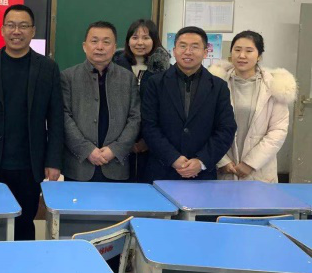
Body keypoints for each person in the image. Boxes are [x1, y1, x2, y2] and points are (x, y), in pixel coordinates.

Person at [0, 4, 64, 241]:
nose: (16, 31)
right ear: (2, 30)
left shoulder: (47, 68)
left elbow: (56, 118)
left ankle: (25, 263)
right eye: (11, 25)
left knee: (25, 223)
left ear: (33, 31)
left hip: (29, 164)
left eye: (23, 26)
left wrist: (53, 161)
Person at [142, 26, 236, 182]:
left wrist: (201, 161)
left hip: (202, 175)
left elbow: (226, 129)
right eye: (183, 46)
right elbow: (149, 126)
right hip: (162, 170)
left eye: (195, 47)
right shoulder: (156, 83)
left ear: (205, 52)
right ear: (174, 50)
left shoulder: (218, 87)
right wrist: (173, 158)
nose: (188, 52)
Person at [209, 30, 296, 183]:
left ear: (259, 56)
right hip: (223, 167)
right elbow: (205, 125)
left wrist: (250, 163)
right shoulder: (214, 83)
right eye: (237, 50)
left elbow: (278, 130)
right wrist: (222, 161)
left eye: (249, 51)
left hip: (259, 169)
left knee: (257, 198)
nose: (242, 55)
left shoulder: (275, 86)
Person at [62, 20, 141, 182]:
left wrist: (115, 149)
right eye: (94, 41)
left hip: (117, 165)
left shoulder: (127, 78)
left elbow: (135, 118)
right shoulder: (68, 77)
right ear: (84, 46)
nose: (100, 47)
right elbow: (63, 117)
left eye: (106, 42)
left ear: (114, 47)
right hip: (79, 166)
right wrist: (86, 150)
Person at [113, 19, 170, 182]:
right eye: (135, 37)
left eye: (146, 38)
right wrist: (126, 140)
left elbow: (167, 110)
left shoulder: (165, 72)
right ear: (128, 40)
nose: (140, 43)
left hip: (153, 144)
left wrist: (148, 140)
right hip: (117, 143)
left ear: (154, 40)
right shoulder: (114, 67)